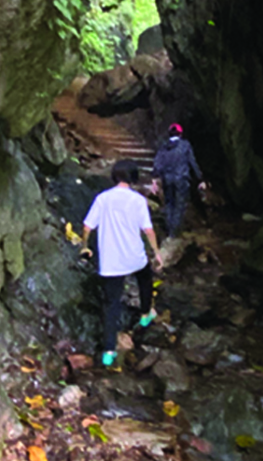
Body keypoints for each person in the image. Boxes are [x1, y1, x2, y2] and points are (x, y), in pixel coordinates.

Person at [81, 160, 161, 368]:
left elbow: (88, 226)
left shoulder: (102, 199)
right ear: (133, 177)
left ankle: (109, 351)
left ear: (115, 177)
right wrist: (157, 252)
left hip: (111, 261)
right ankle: (145, 314)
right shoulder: (138, 200)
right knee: (145, 278)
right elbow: (148, 230)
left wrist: (85, 246)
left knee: (112, 304)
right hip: (134, 256)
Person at [152, 121, 208, 235]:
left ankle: (169, 229)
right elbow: (192, 162)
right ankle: (174, 232)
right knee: (180, 204)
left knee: (169, 203)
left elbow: (158, 163)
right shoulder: (185, 145)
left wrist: (154, 178)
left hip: (167, 179)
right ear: (180, 134)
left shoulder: (163, 146)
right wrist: (200, 179)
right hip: (181, 179)